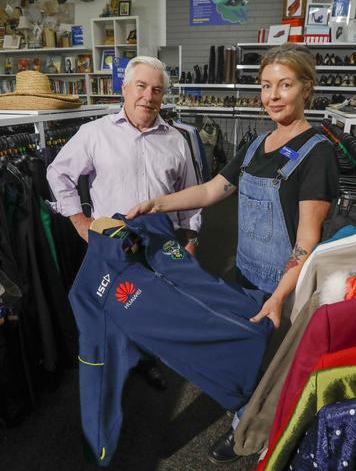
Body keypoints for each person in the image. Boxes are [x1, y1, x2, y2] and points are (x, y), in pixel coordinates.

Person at [127, 43, 339, 464]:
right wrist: (157, 203)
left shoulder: (319, 153)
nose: (273, 96)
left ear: (306, 89)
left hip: (283, 286)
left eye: (285, 85)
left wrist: (279, 298)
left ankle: (251, 435)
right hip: (246, 275)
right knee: (243, 360)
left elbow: (307, 239)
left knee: (269, 371)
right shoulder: (258, 142)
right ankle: (246, 419)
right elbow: (211, 190)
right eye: (266, 86)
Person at [46, 55, 202, 390]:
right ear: (125, 88)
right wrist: (78, 221)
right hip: (114, 243)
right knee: (115, 306)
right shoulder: (94, 134)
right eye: (142, 86)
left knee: (156, 306)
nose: (149, 96)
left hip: (162, 242)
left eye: (157, 90)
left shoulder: (176, 139)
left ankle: (147, 359)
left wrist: (190, 238)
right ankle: (117, 365)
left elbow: (190, 192)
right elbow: (58, 173)